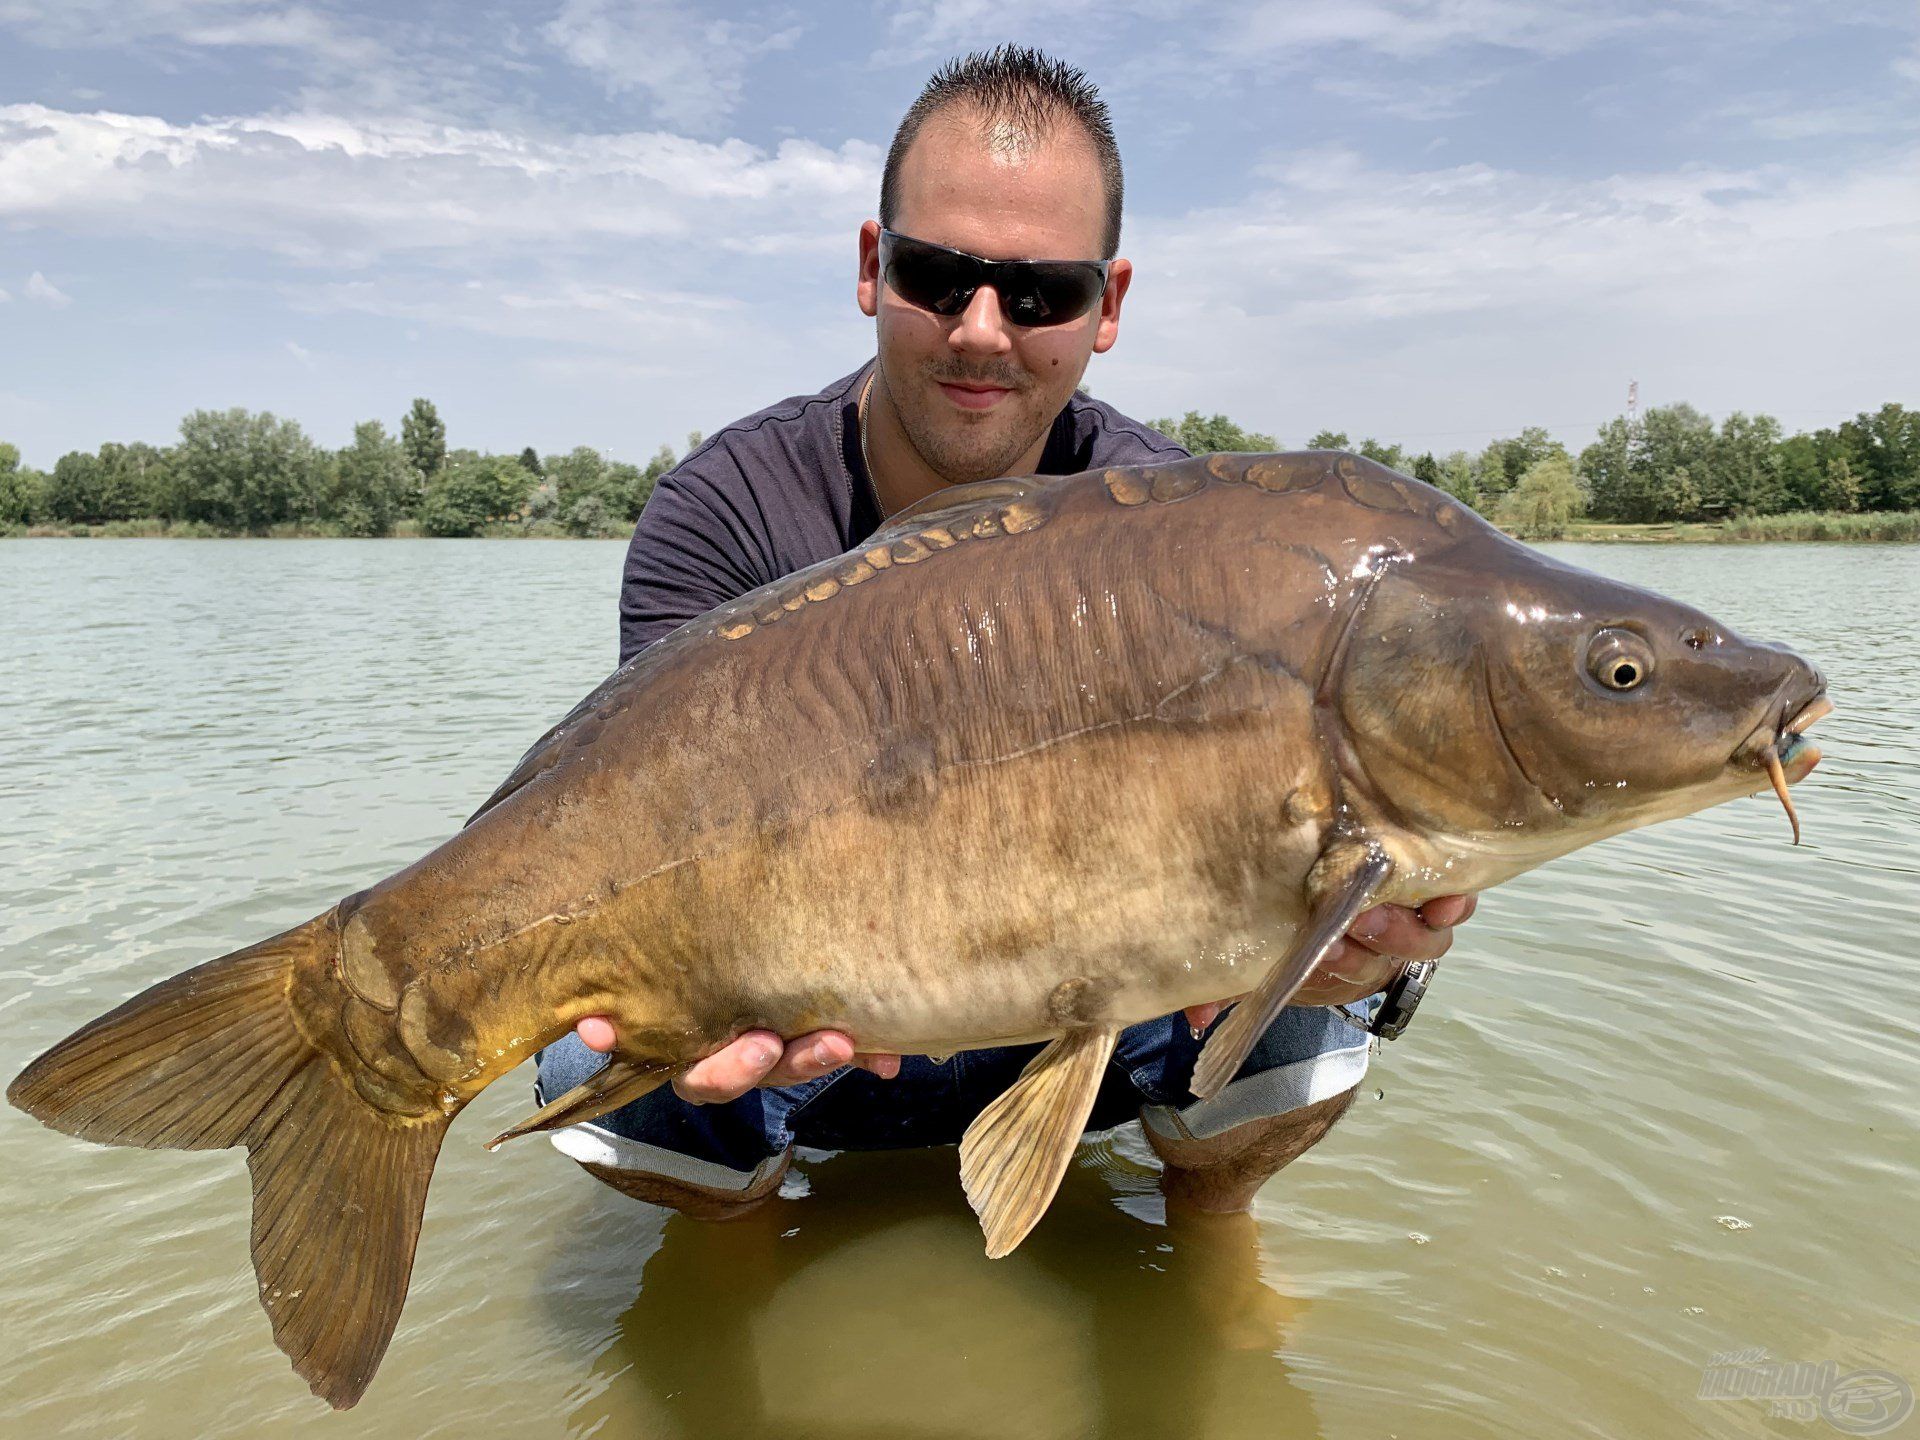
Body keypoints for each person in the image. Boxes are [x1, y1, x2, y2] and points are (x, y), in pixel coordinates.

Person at [536, 46, 1474, 1222]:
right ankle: (734, 1254)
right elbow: (642, 827)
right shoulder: (722, 512)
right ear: (875, 267)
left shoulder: (1185, 534)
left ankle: (1216, 1244)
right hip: (817, 1017)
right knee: (597, 1061)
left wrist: (1354, 944)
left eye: (1040, 295)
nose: (983, 331)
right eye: (941, 275)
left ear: (1108, 307)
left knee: (1314, 985)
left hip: (1096, 993)